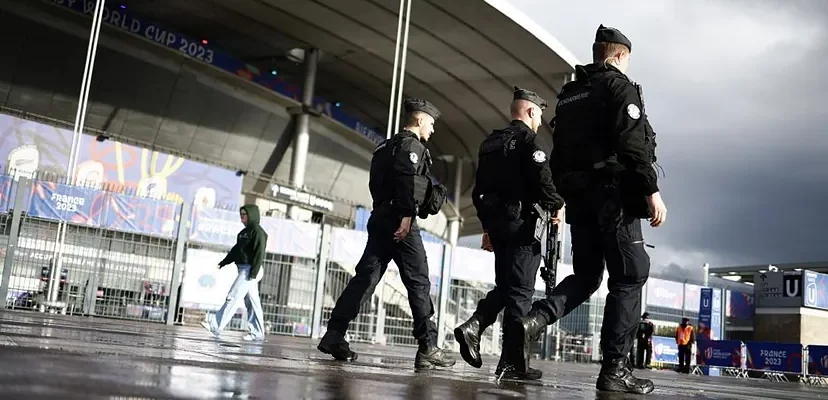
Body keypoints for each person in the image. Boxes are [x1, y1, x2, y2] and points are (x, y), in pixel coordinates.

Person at [515, 24, 667, 395]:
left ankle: (533, 320)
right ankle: (615, 369)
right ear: (619, 56)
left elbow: (558, 153)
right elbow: (633, 146)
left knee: (586, 276)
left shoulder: (570, 94)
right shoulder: (619, 87)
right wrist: (652, 191)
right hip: (613, 197)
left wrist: (563, 200)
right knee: (629, 277)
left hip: (579, 198)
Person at [317, 98, 454, 371]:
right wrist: (405, 215)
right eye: (431, 123)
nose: (433, 130)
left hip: (379, 217)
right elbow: (406, 179)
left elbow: (376, 183)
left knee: (365, 279)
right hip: (399, 221)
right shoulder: (411, 146)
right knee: (419, 282)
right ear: (419, 120)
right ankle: (428, 346)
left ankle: (334, 334)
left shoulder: (383, 147)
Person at [453, 86, 564, 380]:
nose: (540, 121)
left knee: (506, 288)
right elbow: (543, 179)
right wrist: (558, 205)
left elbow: (479, 192)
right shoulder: (529, 142)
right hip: (522, 227)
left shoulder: (490, 143)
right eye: (539, 114)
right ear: (529, 111)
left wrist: (488, 227)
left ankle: (477, 330)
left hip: (499, 227)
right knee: (520, 294)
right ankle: (513, 363)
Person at [202, 205, 267, 341]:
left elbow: (260, 253)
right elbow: (235, 251)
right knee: (252, 302)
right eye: (241, 214)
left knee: (233, 295)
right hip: (244, 269)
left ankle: (215, 326)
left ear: (252, 215)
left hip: (251, 269)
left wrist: (253, 272)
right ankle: (258, 333)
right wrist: (223, 262)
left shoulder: (258, 232)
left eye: (245, 214)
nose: (242, 216)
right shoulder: (243, 233)